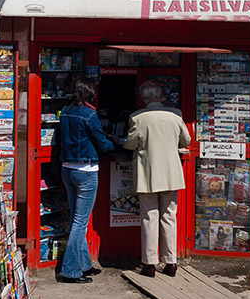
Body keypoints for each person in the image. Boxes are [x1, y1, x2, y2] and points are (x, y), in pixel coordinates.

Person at [122, 81, 191, 278]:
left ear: (144, 99)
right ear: (160, 96)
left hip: (148, 174)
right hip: (170, 173)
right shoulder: (175, 115)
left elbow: (129, 144)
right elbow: (186, 140)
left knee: (149, 217)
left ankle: (150, 263)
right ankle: (171, 262)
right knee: (169, 216)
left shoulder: (137, 118)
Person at [58, 77, 115, 284]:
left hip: (68, 169)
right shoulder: (90, 115)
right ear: (91, 95)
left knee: (76, 219)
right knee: (81, 222)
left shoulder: (65, 111)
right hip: (86, 171)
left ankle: (84, 264)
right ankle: (71, 271)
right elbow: (102, 143)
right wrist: (115, 142)